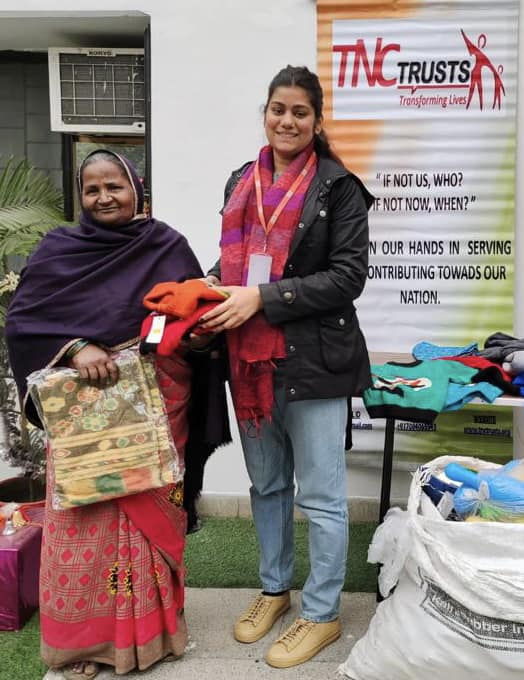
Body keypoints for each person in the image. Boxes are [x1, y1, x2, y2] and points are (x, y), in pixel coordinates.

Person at [5, 150, 229, 679]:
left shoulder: (166, 245)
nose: (104, 197)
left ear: (136, 190)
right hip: (85, 425)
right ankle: (84, 646)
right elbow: (25, 324)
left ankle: (155, 635)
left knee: (151, 519)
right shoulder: (59, 250)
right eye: (92, 189)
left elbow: (192, 322)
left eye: (115, 187)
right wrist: (77, 346)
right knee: (83, 525)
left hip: (157, 408)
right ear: (79, 197)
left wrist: (196, 336)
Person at [199, 65, 374, 669]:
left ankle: (321, 614)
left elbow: (348, 277)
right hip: (248, 362)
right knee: (267, 486)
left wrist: (265, 299)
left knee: (322, 497)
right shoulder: (241, 180)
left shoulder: (339, 188)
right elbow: (234, 260)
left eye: (300, 112)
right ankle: (275, 590)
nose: (287, 121)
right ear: (265, 113)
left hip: (317, 361)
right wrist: (213, 286)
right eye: (278, 109)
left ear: (316, 121)